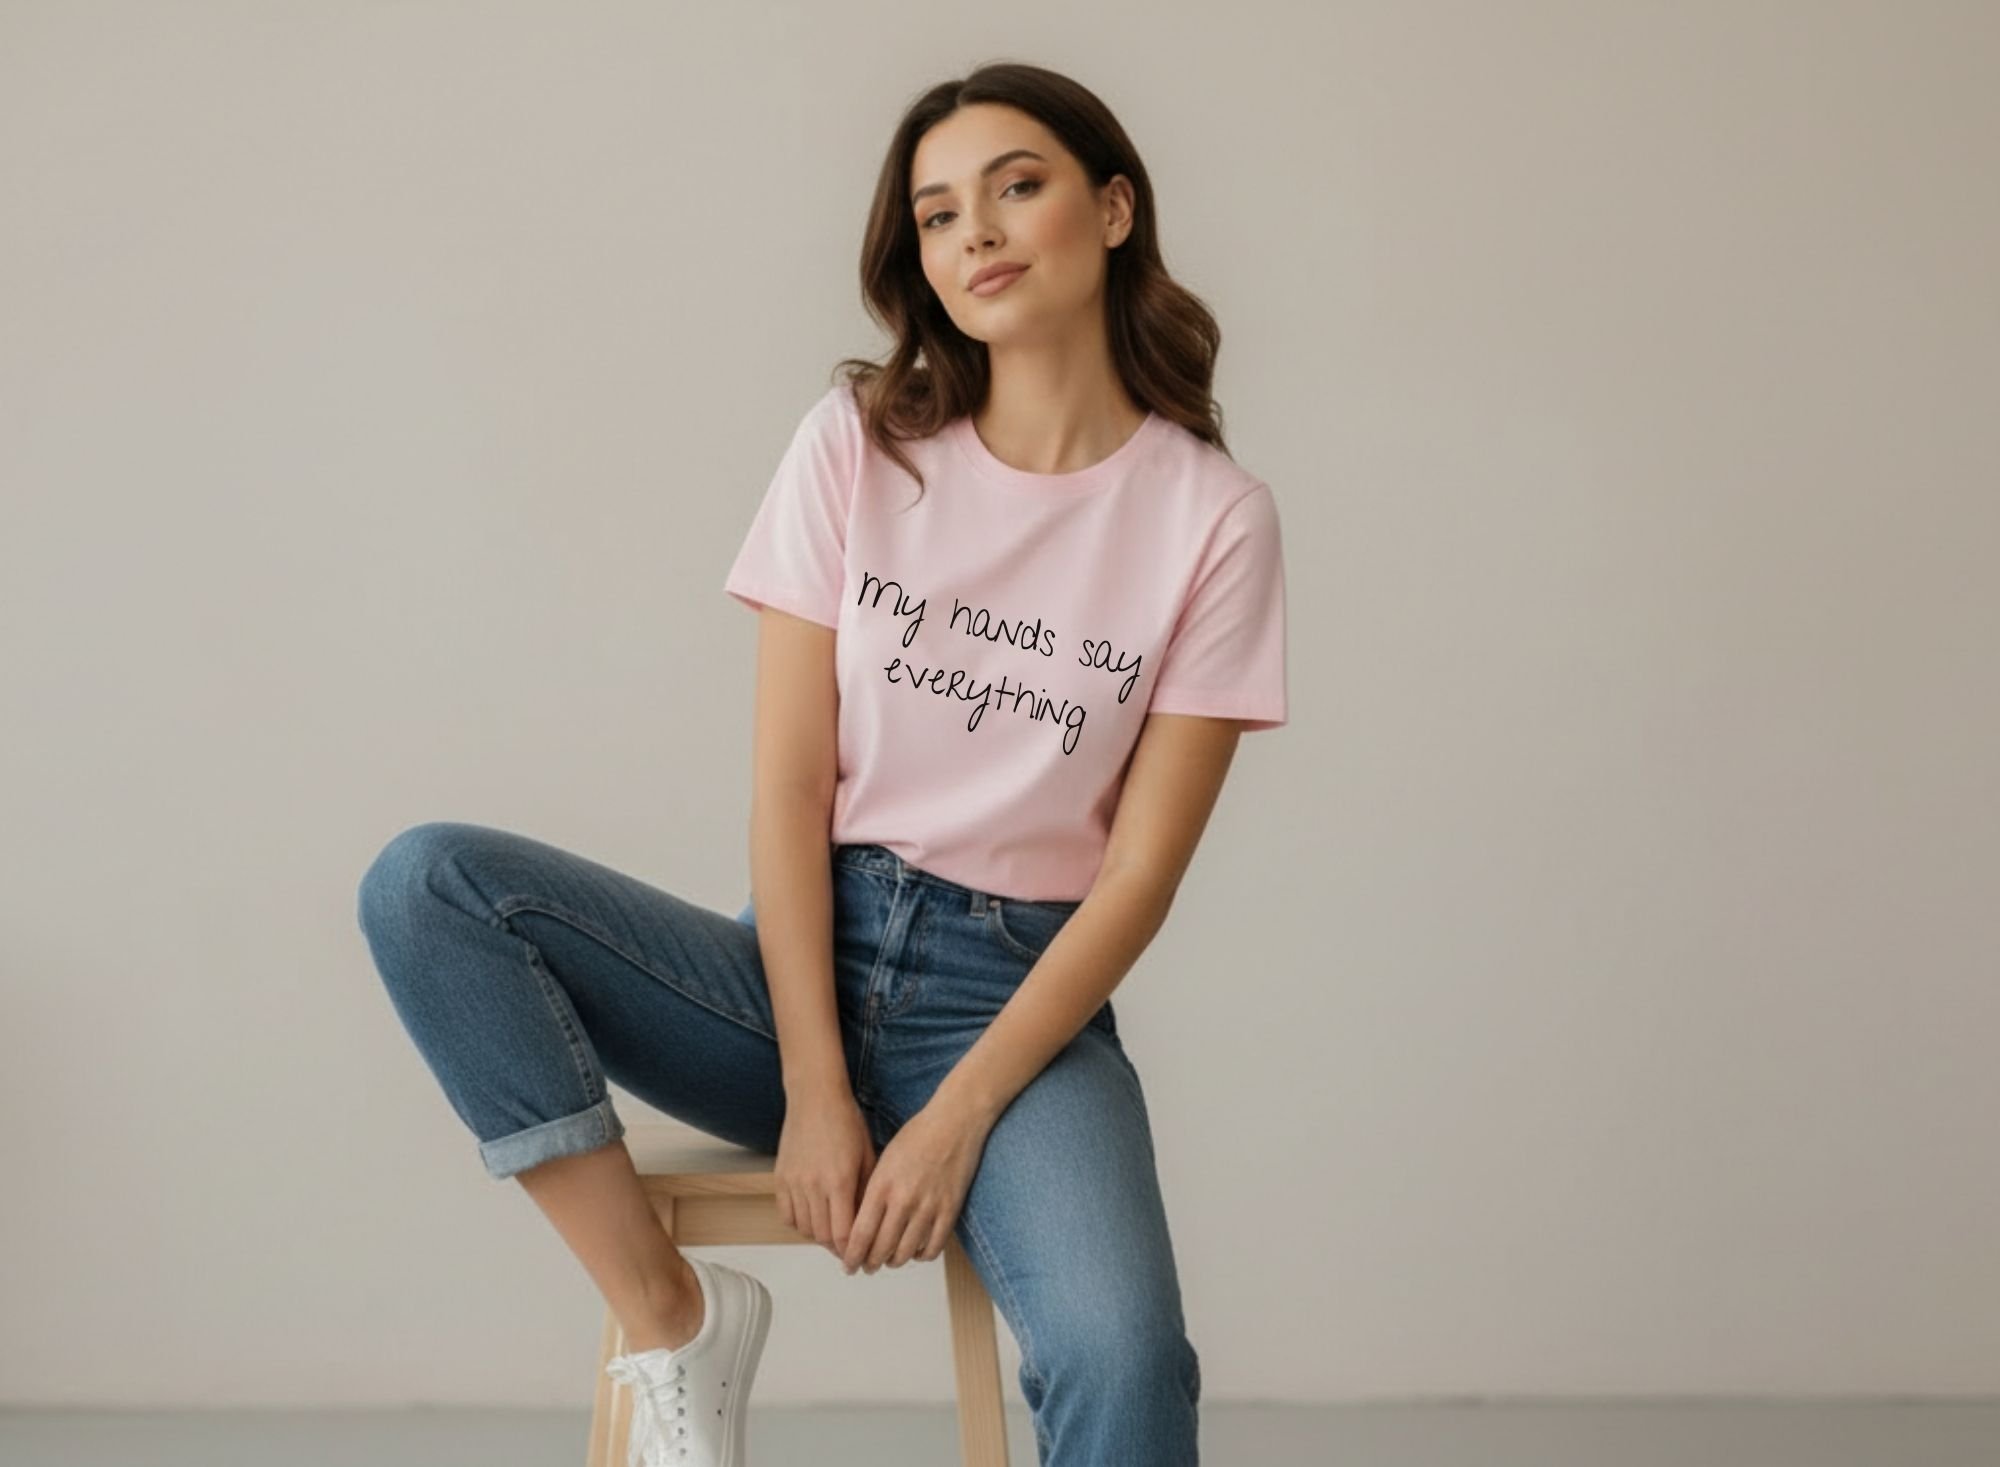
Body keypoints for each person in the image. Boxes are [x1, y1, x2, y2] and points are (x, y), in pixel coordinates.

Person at [356, 60, 1287, 1467]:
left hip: (1018, 1009)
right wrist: (814, 1087)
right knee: (426, 886)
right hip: (794, 972)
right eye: (938, 213)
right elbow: (791, 792)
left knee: (1126, 1359)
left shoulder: (1214, 519)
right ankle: (673, 1319)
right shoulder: (859, 443)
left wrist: (956, 1118)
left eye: (1016, 187)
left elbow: (1141, 877)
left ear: (1112, 211)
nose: (975, 232)